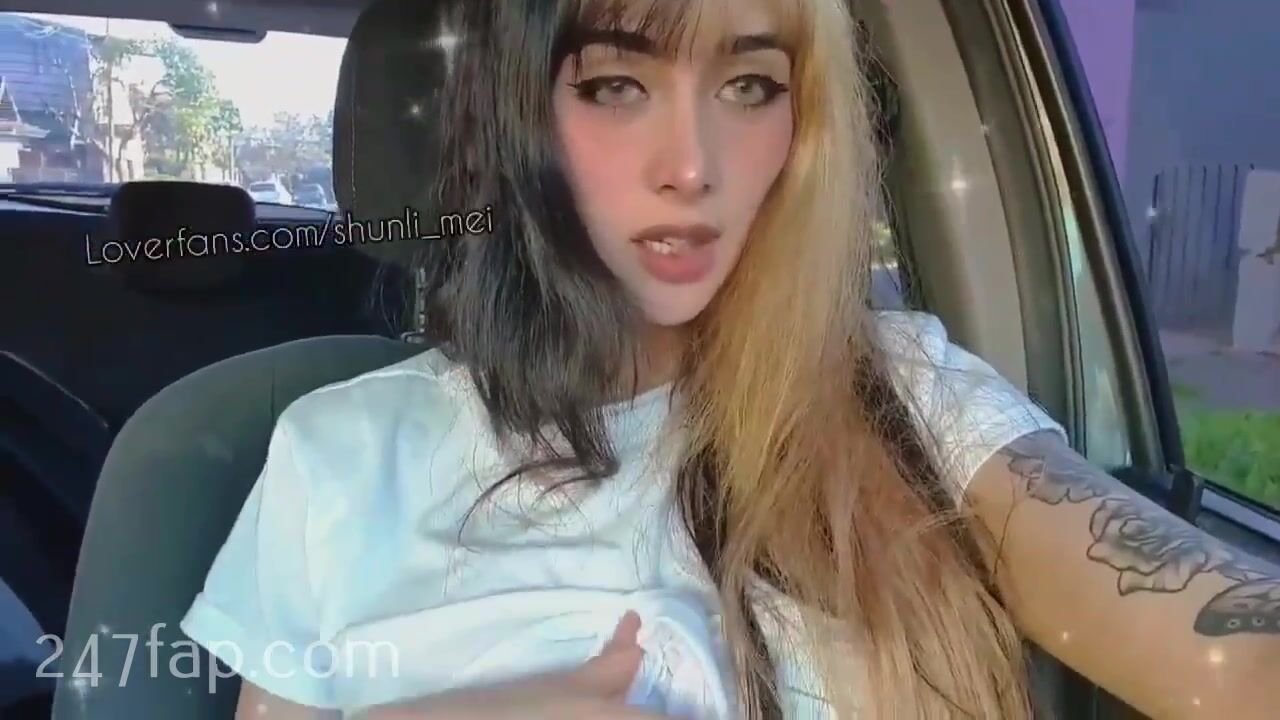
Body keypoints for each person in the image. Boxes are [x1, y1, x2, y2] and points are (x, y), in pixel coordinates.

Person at [179, 0, 1280, 717]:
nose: (693, 165)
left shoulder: (904, 395)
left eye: (749, 87)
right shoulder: (339, 455)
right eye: (615, 85)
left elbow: (1233, 648)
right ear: (517, 120)